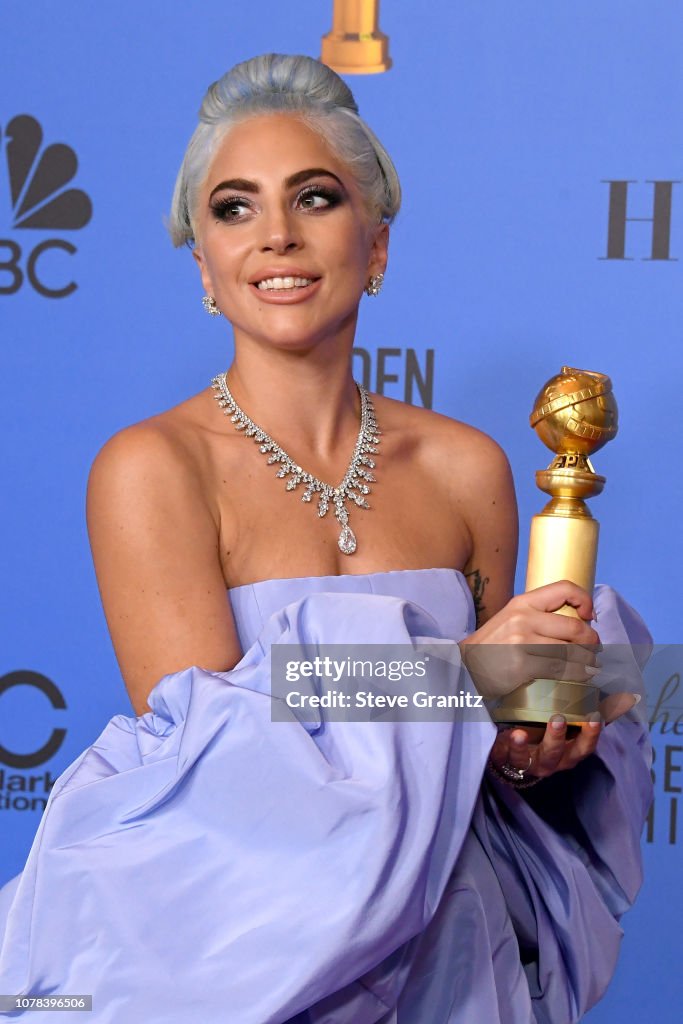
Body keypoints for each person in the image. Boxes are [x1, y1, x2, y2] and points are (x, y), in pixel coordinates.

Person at [0, 54, 652, 1024]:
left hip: (454, 945)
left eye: (313, 197)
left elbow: (479, 739)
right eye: (233, 207)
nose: (274, 235)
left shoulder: (466, 467)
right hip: (255, 961)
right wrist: (452, 677)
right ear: (203, 270)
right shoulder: (151, 470)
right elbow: (208, 765)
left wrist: (533, 741)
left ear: (376, 245)